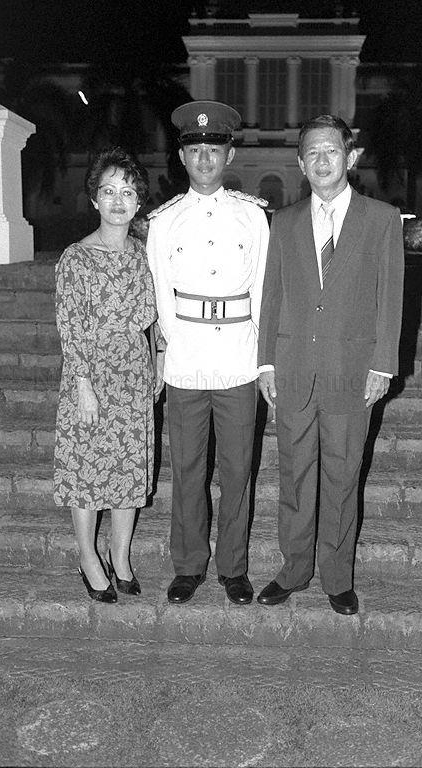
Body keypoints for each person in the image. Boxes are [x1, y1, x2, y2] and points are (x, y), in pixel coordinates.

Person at [256, 115, 404, 615]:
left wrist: (383, 364)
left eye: (332, 151)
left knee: (342, 476)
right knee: (295, 476)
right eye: (312, 153)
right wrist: (265, 364)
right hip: (294, 368)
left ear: (350, 157)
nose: (322, 160)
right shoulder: (285, 222)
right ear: (300, 163)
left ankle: (338, 576)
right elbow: (271, 296)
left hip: (351, 371)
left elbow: (391, 297)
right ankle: (294, 569)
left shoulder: (381, 220)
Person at [147, 100, 269, 605]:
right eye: (195, 150)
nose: (204, 160)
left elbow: (263, 290)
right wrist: (170, 350)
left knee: (239, 469)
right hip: (186, 360)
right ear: (182, 157)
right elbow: (159, 295)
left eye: (213, 150)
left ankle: (233, 568)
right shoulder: (164, 223)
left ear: (230, 154)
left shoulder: (253, 218)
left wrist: (263, 360)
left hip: (238, 357)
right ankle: (189, 565)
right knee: (189, 470)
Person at [54, 147, 163, 603]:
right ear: (95, 199)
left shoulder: (142, 255)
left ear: (138, 202)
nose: (118, 200)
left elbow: (154, 316)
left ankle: (120, 556)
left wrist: (157, 358)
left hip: (134, 375)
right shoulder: (76, 259)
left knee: (127, 470)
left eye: (128, 192)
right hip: (92, 376)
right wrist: (83, 386)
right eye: (108, 191)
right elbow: (70, 323)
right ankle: (88, 557)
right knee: (86, 470)